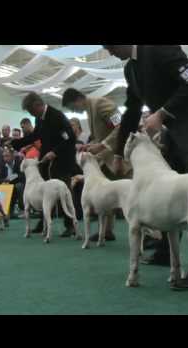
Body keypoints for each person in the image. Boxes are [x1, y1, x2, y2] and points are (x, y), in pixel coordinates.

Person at [102, 45, 188, 291]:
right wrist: (118, 152)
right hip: (175, 134)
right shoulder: (130, 69)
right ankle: (165, 254)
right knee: (169, 194)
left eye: (109, 46)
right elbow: (131, 111)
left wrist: (162, 113)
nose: (109, 52)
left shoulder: (160, 47)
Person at [63, 88, 130, 241]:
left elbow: (121, 126)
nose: (75, 111)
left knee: (136, 195)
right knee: (105, 198)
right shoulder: (89, 110)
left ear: (78, 99)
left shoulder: (101, 104)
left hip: (121, 155)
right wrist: (89, 145)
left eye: (73, 107)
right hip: (107, 159)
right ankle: (106, 231)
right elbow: (102, 135)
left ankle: (155, 235)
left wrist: (102, 145)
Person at [11, 92, 77, 237]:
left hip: (62, 160)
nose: (31, 114)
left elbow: (70, 137)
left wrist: (55, 152)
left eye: (31, 111)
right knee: (46, 193)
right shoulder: (39, 118)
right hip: (46, 161)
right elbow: (36, 135)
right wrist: (16, 143)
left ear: (38, 105)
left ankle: (71, 225)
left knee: (64, 192)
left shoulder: (57, 116)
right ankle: (44, 224)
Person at [1, 148, 25, 218]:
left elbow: (22, 175)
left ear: (12, 156)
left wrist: (10, 178)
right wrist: (4, 180)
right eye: (4, 156)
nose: (5, 158)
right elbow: (0, 178)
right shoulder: (2, 165)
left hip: (20, 184)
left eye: (7, 156)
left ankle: (23, 209)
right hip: (8, 186)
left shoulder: (19, 163)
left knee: (19, 186)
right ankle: (6, 211)